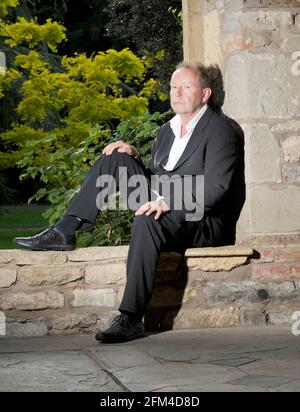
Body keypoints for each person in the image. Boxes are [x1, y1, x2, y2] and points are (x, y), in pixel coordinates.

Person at [13, 62, 245, 343]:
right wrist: (134, 158)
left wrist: (168, 201)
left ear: (205, 94)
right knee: (115, 157)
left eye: (186, 87)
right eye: (173, 86)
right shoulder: (166, 132)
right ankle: (67, 228)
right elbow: (158, 179)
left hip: (201, 220)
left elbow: (216, 188)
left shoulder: (220, 130)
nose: (177, 93)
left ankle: (131, 317)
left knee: (148, 218)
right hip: (166, 208)